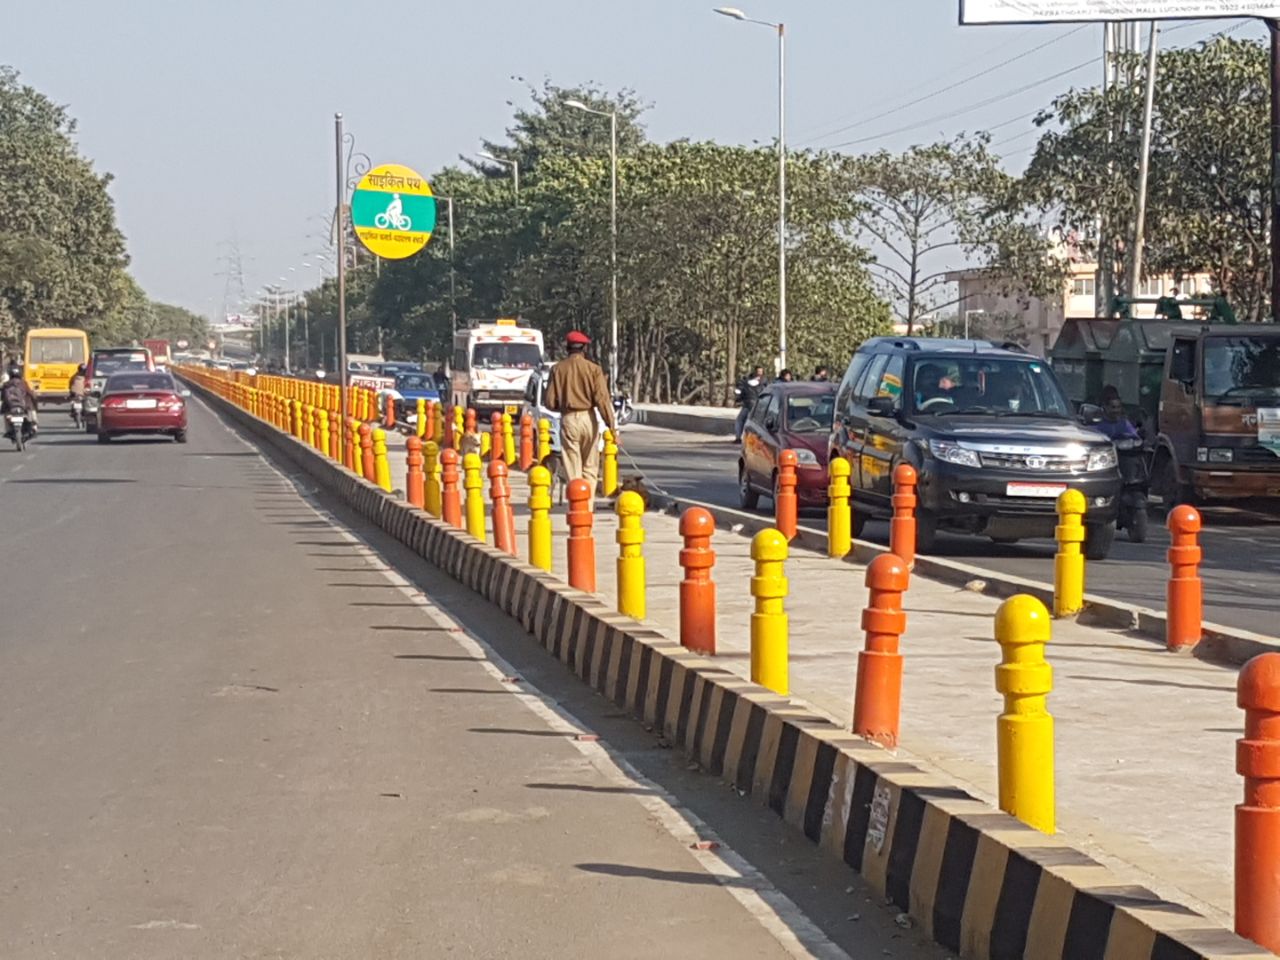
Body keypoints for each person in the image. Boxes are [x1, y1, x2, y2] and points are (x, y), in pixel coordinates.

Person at [544, 331, 617, 500]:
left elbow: (549, 401)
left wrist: (563, 406)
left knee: (573, 468)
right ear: (584, 348)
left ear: (567, 348)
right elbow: (603, 401)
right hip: (588, 419)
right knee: (590, 468)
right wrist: (612, 428)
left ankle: (576, 506)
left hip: (569, 419)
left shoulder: (557, 369)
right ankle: (588, 508)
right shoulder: (594, 369)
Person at [1, 364, 38, 432]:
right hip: (24, 407)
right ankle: (34, 426)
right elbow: (31, 394)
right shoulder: (24, 383)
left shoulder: (6, 385)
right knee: (32, 411)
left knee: (5, 414)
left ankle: (7, 430)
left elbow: (3, 397)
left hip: (10, 407)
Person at [734, 364, 765, 442]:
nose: (759, 373)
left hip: (755, 406)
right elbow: (742, 391)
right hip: (749, 405)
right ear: (755, 372)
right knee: (741, 420)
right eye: (758, 371)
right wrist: (739, 399)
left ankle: (745, 438)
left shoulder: (763, 382)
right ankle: (739, 437)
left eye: (761, 371)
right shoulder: (748, 381)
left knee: (747, 421)